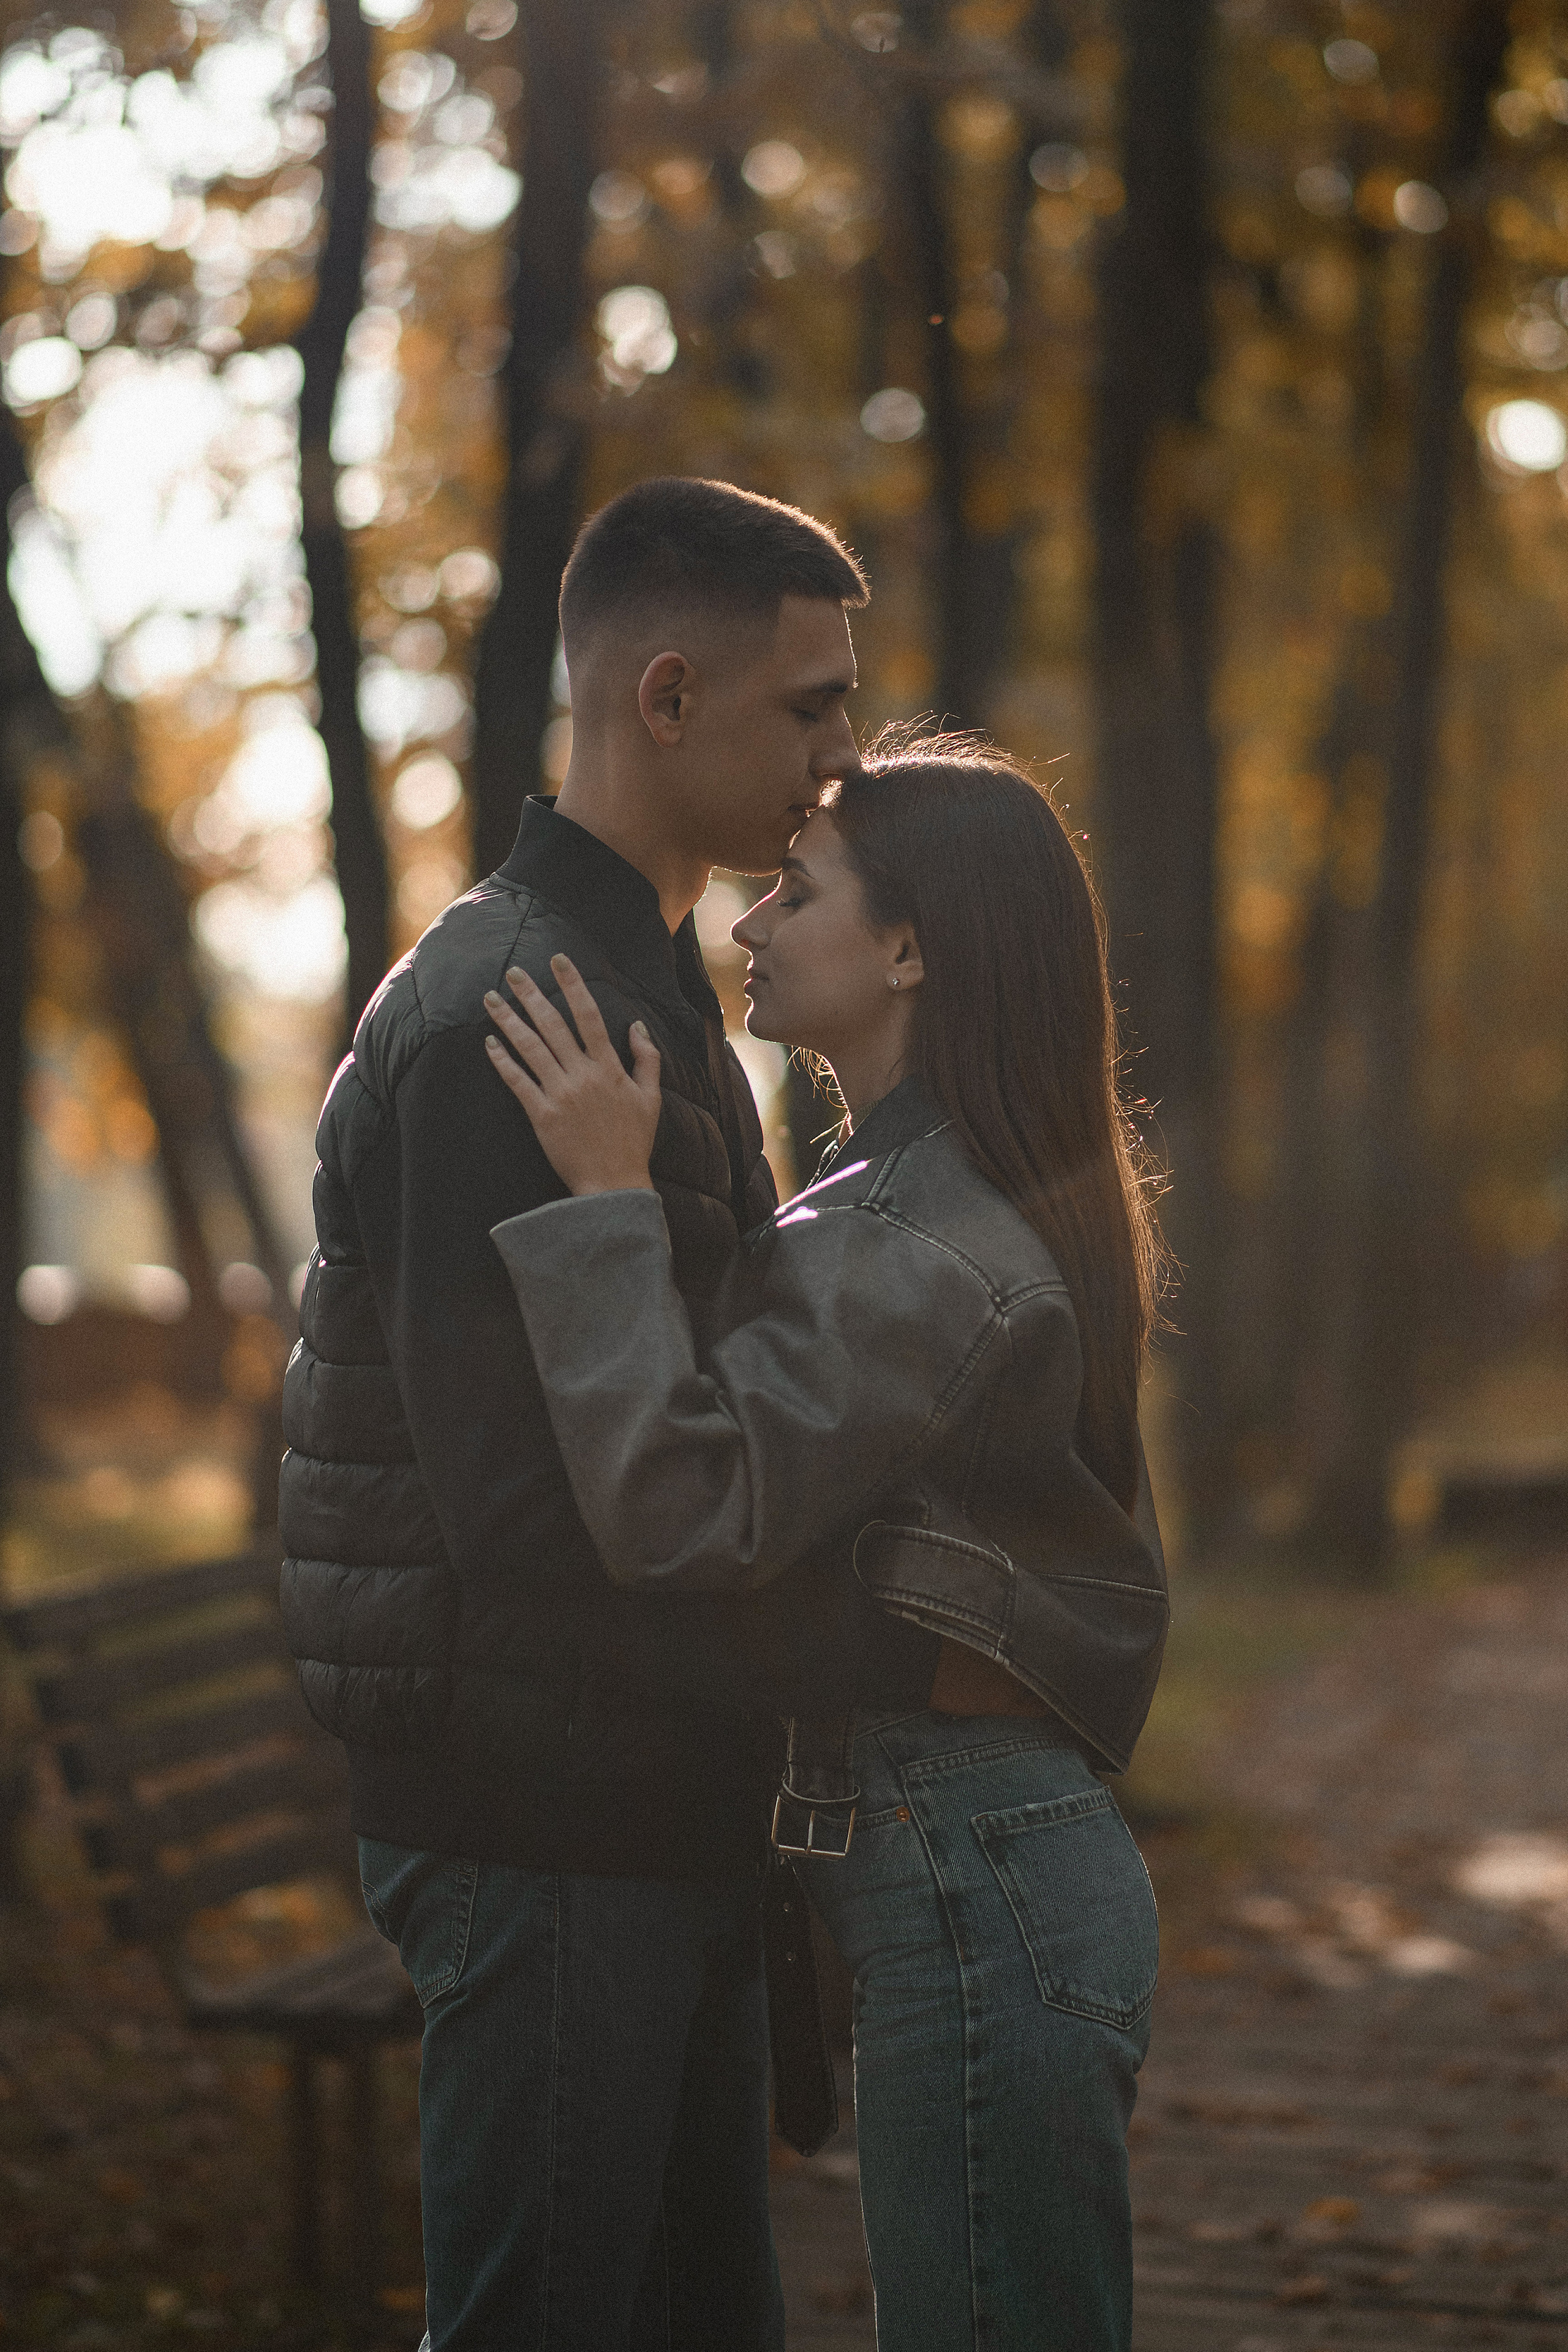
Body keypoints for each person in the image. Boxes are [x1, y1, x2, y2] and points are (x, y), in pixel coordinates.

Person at [277, 478, 942, 2350]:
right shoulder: (522, 1019)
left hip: (650, 1803)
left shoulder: (645, 991)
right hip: (548, 1814)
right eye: (810, 706)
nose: (843, 756)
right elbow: (522, 1508)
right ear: (665, 697)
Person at [480, 737, 1171, 2352]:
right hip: (990, 1862)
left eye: (800, 891)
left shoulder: (914, 1238)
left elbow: (685, 1508)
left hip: (970, 1870)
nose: (750, 923)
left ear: (913, 945)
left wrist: (600, 1206)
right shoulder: (937, 1196)